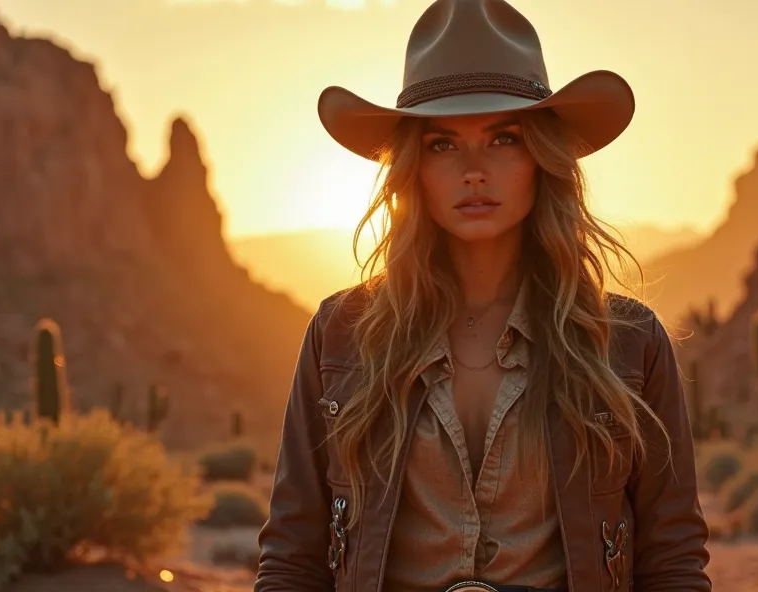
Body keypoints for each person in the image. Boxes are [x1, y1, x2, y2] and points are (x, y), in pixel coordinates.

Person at [255, 0, 711, 590]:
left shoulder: (625, 342)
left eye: (504, 139)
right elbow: (292, 554)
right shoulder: (343, 332)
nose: (473, 169)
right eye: (443, 144)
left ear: (542, 159)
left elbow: (672, 558)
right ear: (413, 167)